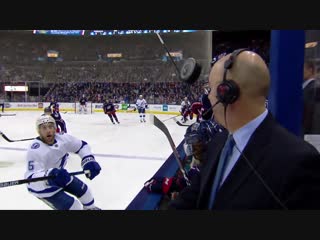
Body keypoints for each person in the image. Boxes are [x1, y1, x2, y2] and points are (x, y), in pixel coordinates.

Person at [168, 49, 320, 210]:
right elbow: (194, 197)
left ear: (227, 93)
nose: (209, 97)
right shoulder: (218, 143)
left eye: (211, 89)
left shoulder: (298, 161)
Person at [25, 115, 102, 210]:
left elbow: (82, 146)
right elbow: (31, 178)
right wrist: (49, 176)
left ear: (55, 128)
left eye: (50, 126)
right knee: (74, 207)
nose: (48, 130)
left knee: (86, 193)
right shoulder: (35, 150)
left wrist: (88, 160)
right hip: (43, 187)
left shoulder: (63, 138)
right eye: (44, 128)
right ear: (39, 131)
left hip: (60, 175)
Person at [302, 60, 320, 135]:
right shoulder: (305, 88)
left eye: (302, 68)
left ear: (310, 70)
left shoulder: (314, 89)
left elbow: (312, 114)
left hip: (308, 132)